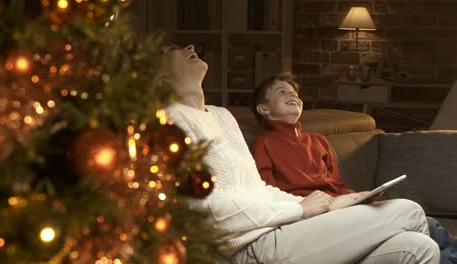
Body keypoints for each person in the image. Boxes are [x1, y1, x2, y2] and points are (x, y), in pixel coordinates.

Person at [160, 43, 440, 263]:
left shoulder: (222, 116)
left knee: (418, 248)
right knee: (409, 211)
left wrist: (333, 204)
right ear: (155, 73)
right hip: (251, 248)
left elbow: (258, 189)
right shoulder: (164, 122)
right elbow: (203, 209)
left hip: (285, 231)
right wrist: (298, 209)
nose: (189, 49)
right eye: (173, 48)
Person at [250, 72, 457, 263]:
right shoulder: (264, 144)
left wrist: (359, 197)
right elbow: (268, 194)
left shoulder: (318, 141)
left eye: (295, 93)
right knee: (415, 216)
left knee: (422, 233)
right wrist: (307, 206)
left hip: (341, 209)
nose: (293, 96)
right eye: (283, 92)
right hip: (311, 217)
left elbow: (338, 185)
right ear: (264, 109)